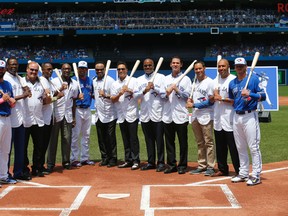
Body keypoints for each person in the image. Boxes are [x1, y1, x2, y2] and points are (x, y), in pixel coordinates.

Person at [229, 57, 266, 186]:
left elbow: (263, 96)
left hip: (250, 115)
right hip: (236, 116)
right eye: (237, 66)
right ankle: (243, 173)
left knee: (254, 147)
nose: (239, 68)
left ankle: (256, 175)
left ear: (246, 67)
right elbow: (232, 100)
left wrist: (251, 94)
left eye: (241, 66)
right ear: (234, 68)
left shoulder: (254, 79)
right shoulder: (232, 83)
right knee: (240, 147)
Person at [160, 56, 191, 174]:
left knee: (183, 142)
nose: (175, 65)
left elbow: (187, 96)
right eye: (173, 63)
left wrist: (177, 89)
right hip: (167, 115)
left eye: (177, 63)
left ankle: (182, 165)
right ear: (170, 65)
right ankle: (172, 164)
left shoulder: (186, 79)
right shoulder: (165, 79)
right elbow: (162, 97)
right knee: (169, 142)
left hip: (181, 114)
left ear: (181, 65)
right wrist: (166, 93)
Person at [211, 58, 240, 177]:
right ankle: (222, 169)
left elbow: (237, 101)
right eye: (219, 66)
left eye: (223, 66)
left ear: (228, 67)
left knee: (233, 147)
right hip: (218, 118)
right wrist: (213, 97)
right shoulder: (215, 80)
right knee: (220, 147)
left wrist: (221, 98)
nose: (221, 68)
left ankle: (239, 171)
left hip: (230, 118)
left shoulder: (234, 80)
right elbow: (211, 99)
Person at [4, 57, 31, 181]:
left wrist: (26, 90)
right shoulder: (5, 79)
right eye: (11, 64)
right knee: (7, 149)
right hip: (10, 118)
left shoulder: (19, 78)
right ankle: (5, 173)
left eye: (15, 64)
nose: (14, 66)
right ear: (7, 66)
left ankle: (18, 172)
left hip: (21, 118)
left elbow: (25, 91)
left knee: (20, 148)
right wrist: (23, 95)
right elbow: (9, 98)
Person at [47, 63, 77, 173]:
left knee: (67, 139)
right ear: (61, 70)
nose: (67, 70)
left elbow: (74, 101)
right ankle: (50, 163)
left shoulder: (74, 83)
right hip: (56, 114)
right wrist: (60, 89)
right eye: (64, 69)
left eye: (68, 69)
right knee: (53, 140)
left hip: (68, 114)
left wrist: (74, 117)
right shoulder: (54, 81)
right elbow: (50, 97)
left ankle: (66, 161)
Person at [137, 58, 165, 172]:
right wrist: (145, 90)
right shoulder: (139, 80)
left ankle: (161, 162)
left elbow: (164, 94)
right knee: (148, 140)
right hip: (145, 114)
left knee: (159, 140)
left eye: (150, 65)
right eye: (145, 66)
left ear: (153, 66)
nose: (147, 67)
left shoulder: (161, 77)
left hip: (157, 113)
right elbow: (135, 95)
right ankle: (151, 162)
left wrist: (155, 88)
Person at [187, 60, 215, 176]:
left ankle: (211, 166)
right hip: (195, 116)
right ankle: (202, 165)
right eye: (196, 69)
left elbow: (211, 101)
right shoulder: (194, 82)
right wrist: (191, 101)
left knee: (208, 142)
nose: (198, 71)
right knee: (199, 142)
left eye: (200, 68)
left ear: (204, 68)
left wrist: (194, 105)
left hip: (206, 115)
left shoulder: (210, 82)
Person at [111, 61, 140, 170]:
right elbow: (113, 100)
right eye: (119, 69)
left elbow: (139, 96)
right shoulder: (115, 84)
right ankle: (128, 160)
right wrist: (120, 93)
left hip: (132, 113)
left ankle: (136, 160)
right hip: (121, 115)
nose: (121, 71)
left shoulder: (133, 81)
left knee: (133, 138)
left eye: (123, 69)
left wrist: (129, 90)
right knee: (125, 139)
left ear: (127, 70)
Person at [23, 61, 50, 177]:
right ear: (27, 70)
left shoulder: (41, 83)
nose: (33, 72)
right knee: (23, 147)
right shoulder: (22, 82)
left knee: (39, 146)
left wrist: (48, 96)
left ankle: (37, 168)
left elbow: (45, 102)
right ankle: (24, 169)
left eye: (35, 70)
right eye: (31, 69)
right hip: (25, 120)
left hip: (38, 119)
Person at [93, 61, 117, 167]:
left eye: (101, 69)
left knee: (110, 138)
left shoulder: (110, 81)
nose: (99, 71)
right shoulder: (94, 81)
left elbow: (115, 97)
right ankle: (105, 157)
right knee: (101, 138)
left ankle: (113, 158)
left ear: (104, 70)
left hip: (110, 114)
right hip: (99, 114)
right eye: (97, 69)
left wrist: (105, 95)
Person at [70, 61, 95, 167]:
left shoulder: (90, 81)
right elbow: (70, 98)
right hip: (77, 109)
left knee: (86, 135)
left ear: (87, 70)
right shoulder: (74, 81)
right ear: (78, 69)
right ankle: (74, 158)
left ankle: (85, 158)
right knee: (75, 135)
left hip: (87, 109)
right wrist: (77, 97)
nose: (82, 70)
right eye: (80, 68)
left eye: (84, 68)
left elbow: (93, 94)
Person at [0, 59, 17, 184]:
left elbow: (11, 104)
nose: (0, 71)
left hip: (8, 119)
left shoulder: (7, 84)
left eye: (2, 68)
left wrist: (11, 102)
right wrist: (1, 100)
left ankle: (3, 175)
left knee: (6, 149)